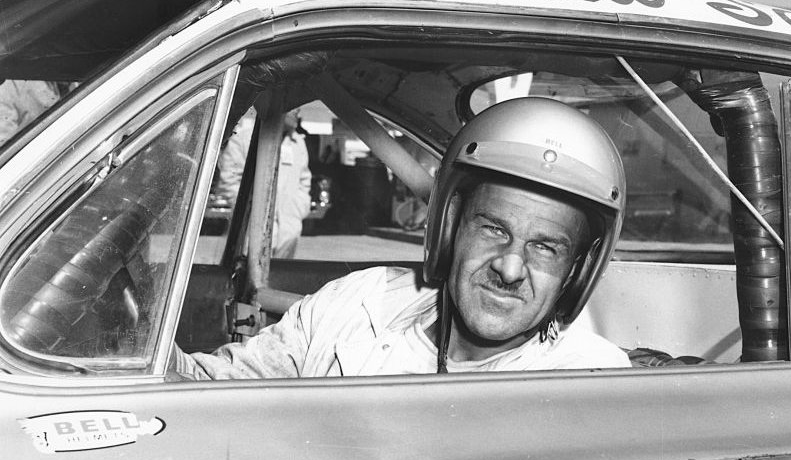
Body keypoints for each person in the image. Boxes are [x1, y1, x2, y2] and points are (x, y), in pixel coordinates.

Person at [174, 97, 631, 379]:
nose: (510, 268)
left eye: (545, 248)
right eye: (494, 229)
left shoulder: (589, 382)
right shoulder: (357, 304)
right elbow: (207, 390)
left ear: (577, 272)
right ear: (449, 229)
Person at [214, 108, 311, 258]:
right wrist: (249, 211)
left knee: (282, 271)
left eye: (299, 108)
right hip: (252, 231)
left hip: (288, 231)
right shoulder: (244, 138)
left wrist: (297, 210)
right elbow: (230, 180)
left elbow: (304, 182)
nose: (298, 111)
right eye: (294, 107)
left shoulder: (298, 143)